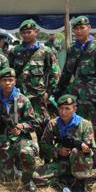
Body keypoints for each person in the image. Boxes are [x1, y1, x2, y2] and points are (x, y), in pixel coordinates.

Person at [54, 16, 96, 188]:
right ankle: (81, 169)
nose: (79, 31)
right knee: (79, 135)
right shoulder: (73, 49)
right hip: (78, 99)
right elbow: (66, 73)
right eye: (76, 29)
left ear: (89, 28)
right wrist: (58, 91)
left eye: (82, 28)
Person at [7, 19, 60, 161]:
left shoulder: (46, 52)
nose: (26, 35)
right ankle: (23, 160)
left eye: (29, 32)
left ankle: (47, 159)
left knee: (43, 129)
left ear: (36, 32)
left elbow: (55, 73)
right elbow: (9, 73)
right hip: (19, 98)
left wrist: (49, 93)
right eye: (23, 32)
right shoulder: (15, 52)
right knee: (20, 128)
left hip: (38, 98)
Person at [0, 67, 39, 192]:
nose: (7, 83)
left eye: (10, 80)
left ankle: (27, 180)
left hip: (19, 138)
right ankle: (15, 168)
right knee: (6, 179)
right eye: (4, 80)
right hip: (1, 139)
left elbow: (34, 123)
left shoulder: (23, 100)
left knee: (27, 152)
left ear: (15, 81)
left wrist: (21, 127)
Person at [35, 94, 96, 192]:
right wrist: (57, 150)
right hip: (61, 162)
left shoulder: (85, 124)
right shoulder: (53, 124)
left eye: (67, 109)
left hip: (80, 163)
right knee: (35, 176)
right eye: (61, 108)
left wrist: (84, 147)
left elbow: (91, 148)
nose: (63, 112)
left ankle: (80, 183)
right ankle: (66, 178)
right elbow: (44, 144)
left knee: (76, 151)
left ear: (75, 109)